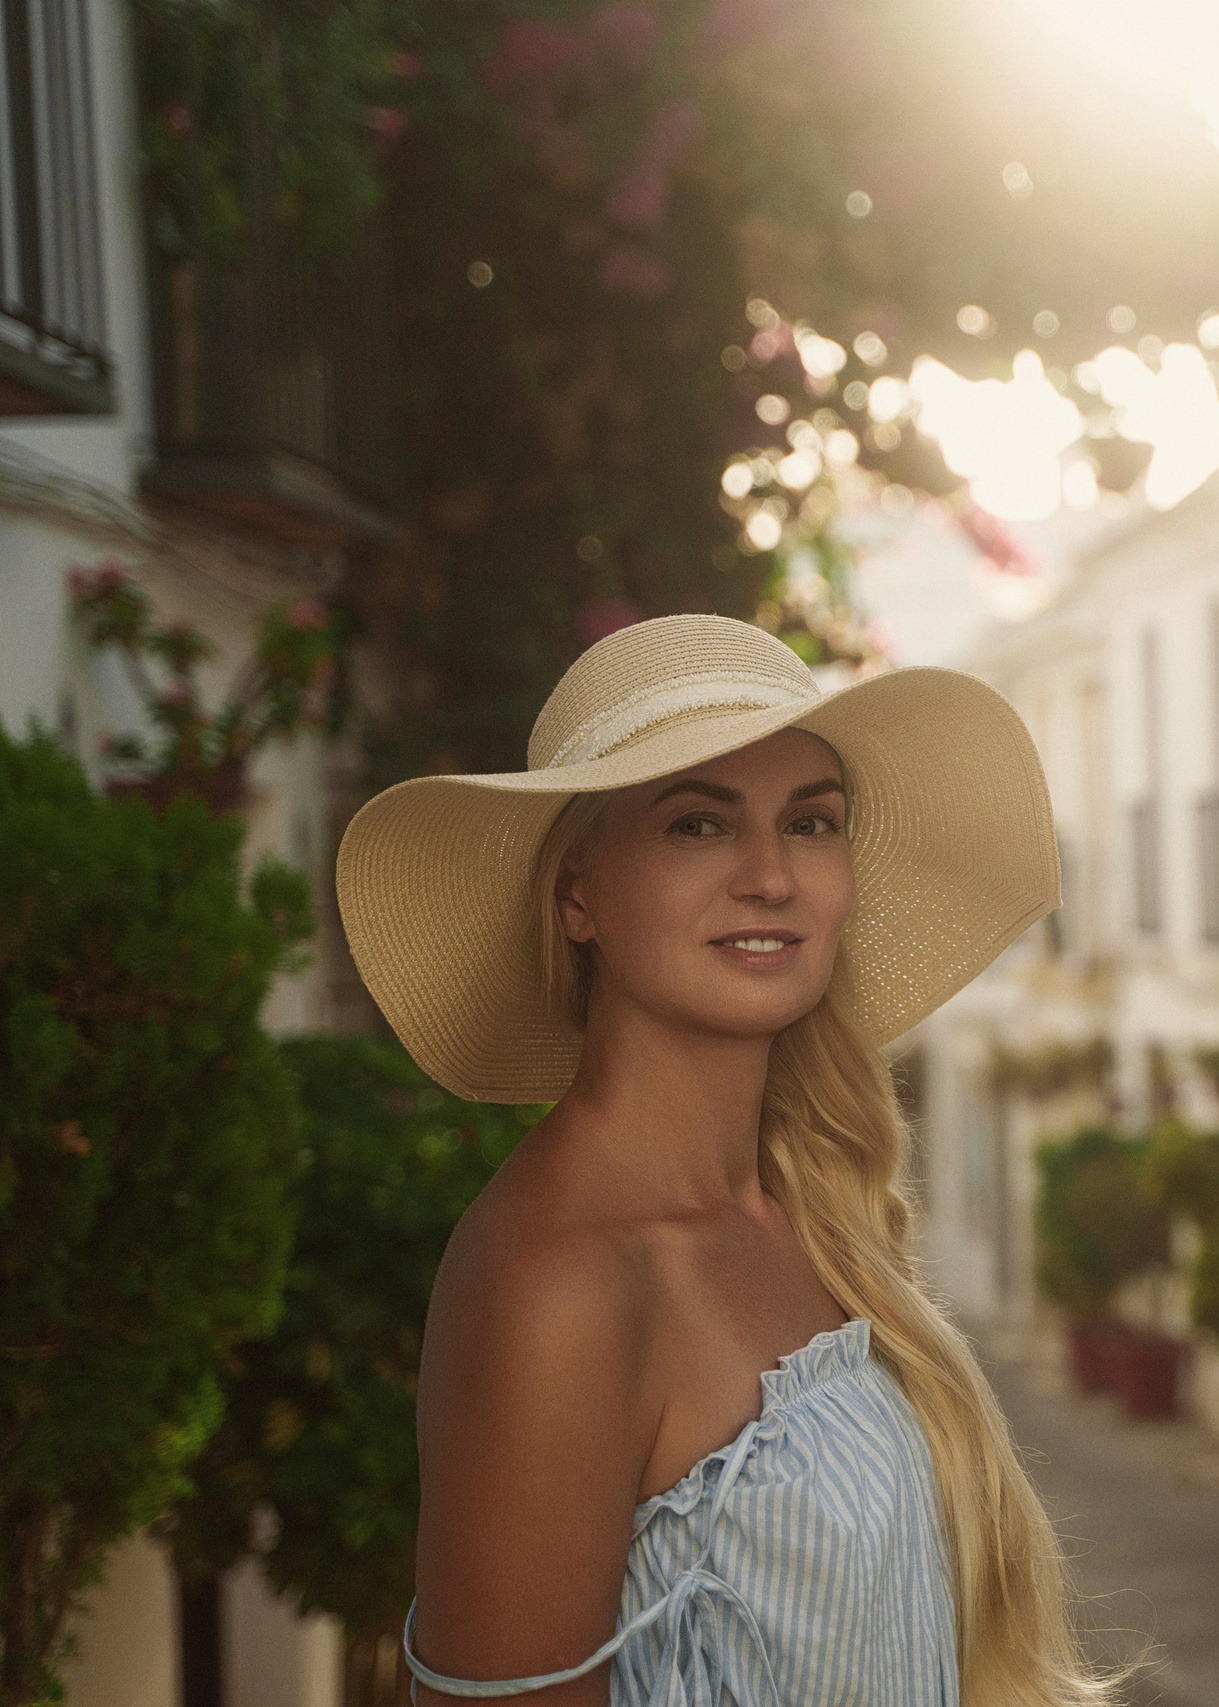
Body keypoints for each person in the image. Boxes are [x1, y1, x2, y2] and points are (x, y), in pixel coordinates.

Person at [336, 614, 1108, 1705]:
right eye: (697, 824)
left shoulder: (807, 1218)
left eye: (810, 822)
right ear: (577, 896)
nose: (770, 877)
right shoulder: (560, 1281)